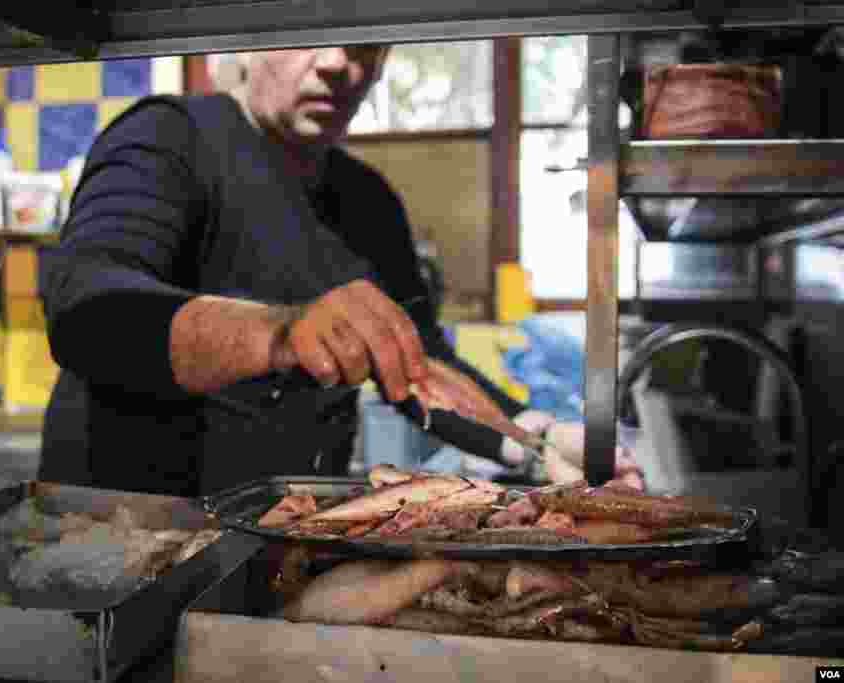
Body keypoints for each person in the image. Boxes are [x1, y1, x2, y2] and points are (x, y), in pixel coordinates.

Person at [38, 45, 643, 497]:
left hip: (269, 539)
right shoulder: (171, 137)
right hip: (121, 534)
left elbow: (418, 364)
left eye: (363, 45)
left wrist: (533, 444)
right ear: (247, 40)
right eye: (309, 30)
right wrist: (280, 332)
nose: (336, 63)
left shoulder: (367, 201)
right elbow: (86, 308)